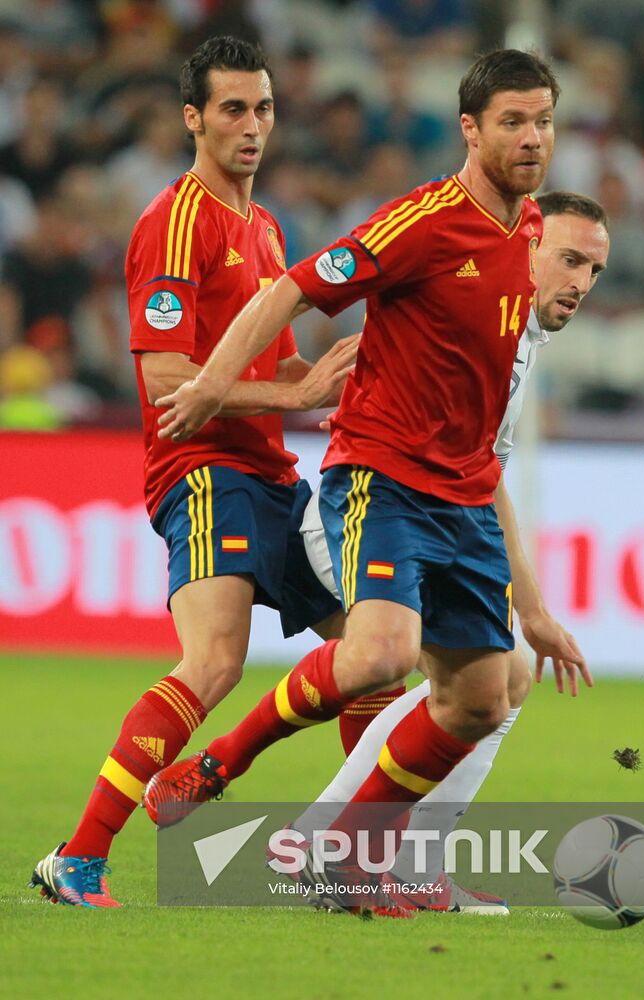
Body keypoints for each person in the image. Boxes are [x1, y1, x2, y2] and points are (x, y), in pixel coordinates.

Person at [145, 49, 591, 919]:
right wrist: (208, 387)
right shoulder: (421, 223)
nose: (532, 137)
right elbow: (290, 292)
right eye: (512, 121)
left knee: (481, 699)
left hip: (463, 497)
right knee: (383, 654)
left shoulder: (532, 232)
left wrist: (532, 606)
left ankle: (349, 857)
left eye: (543, 120)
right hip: (379, 478)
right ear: (470, 128)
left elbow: (489, 435)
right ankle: (226, 760)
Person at [30, 35, 356, 909]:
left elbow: (283, 376)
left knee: (371, 656)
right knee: (213, 661)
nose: (253, 126)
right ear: (193, 119)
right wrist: (293, 391)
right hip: (204, 470)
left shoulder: (265, 226)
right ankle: (79, 857)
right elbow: (167, 381)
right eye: (233, 110)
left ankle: (372, 855)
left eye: (264, 108)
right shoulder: (172, 222)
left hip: (272, 473)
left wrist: (349, 370)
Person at [288, 191, 610, 914]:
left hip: (414, 521)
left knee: (501, 680)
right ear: (524, 247)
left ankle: (400, 857)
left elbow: (485, 479)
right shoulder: (474, 319)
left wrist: (532, 610)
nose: (581, 284)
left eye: (594, 270)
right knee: (444, 675)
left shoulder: (519, 341)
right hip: (359, 513)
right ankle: (333, 843)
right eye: (568, 260)